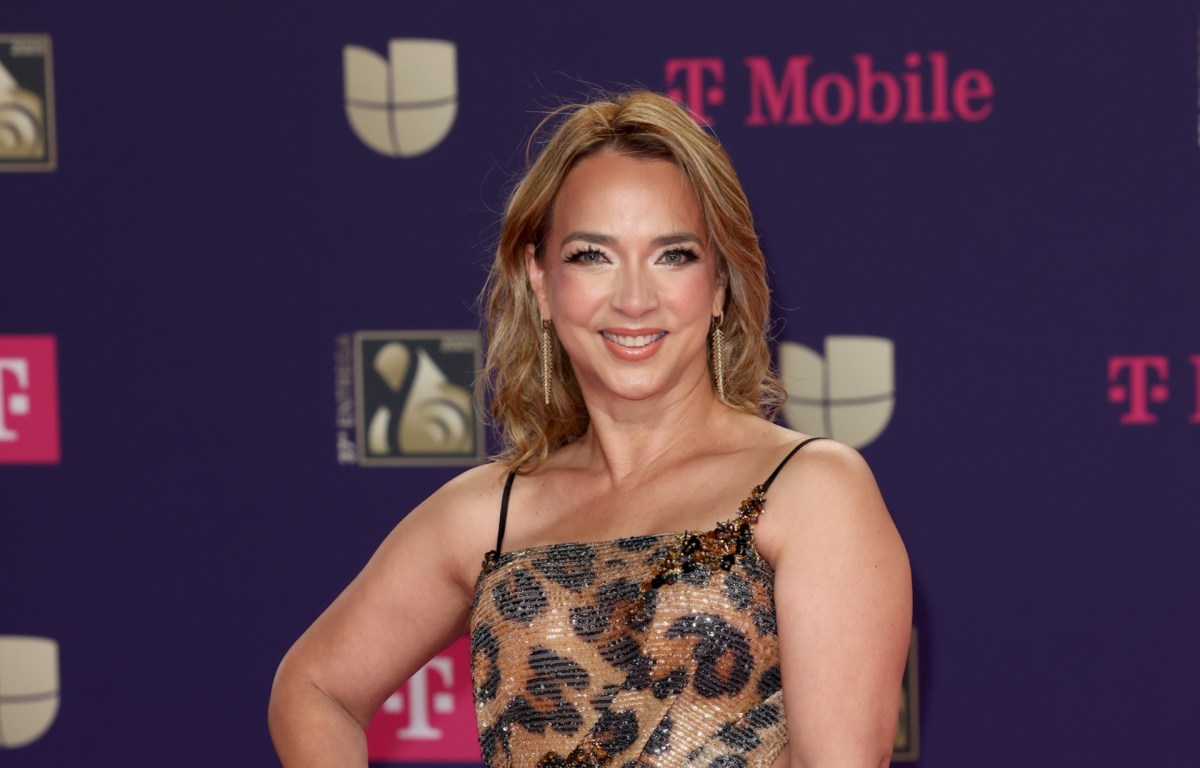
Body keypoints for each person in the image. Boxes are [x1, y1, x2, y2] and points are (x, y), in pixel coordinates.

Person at [269, 90, 911, 768]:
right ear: (540, 280)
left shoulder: (809, 490)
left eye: (673, 255)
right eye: (591, 255)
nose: (634, 299)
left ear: (720, 284)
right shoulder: (489, 513)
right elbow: (315, 689)